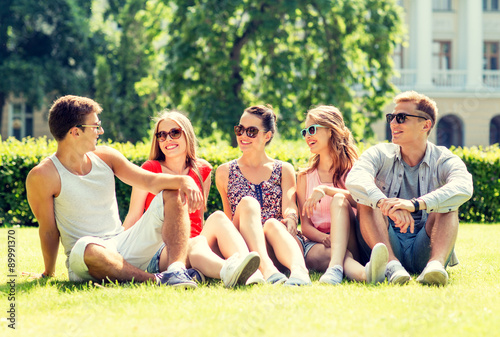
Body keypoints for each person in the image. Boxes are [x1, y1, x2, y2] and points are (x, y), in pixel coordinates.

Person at [25, 95, 252, 288]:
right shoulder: (43, 175)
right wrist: (48, 272)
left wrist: (181, 181)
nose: (100, 131)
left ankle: (176, 270)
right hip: (86, 255)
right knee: (88, 247)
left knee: (170, 190)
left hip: (121, 243)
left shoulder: (106, 156)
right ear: (75, 132)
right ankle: (157, 280)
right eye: (95, 126)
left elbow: (150, 181)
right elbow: (48, 231)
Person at [346, 91, 473, 286]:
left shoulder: (444, 158)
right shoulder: (379, 153)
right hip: (384, 244)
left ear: (426, 125)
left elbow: (463, 186)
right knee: (367, 201)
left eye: (401, 118)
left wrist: (414, 205)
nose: (393, 123)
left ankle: (435, 267)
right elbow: (355, 178)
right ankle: (391, 266)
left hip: (426, 246)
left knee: (449, 203)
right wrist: (385, 203)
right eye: (391, 117)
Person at [122, 110, 260, 287]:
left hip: (196, 241)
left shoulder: (202, 170)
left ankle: (246, 267)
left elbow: (199, 218)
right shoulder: (149, 170)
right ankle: (229, 271)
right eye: (161, 135)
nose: (168, 139)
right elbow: (133, 216)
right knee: (194, 244)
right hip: (161, 249)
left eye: (174, 133)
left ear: (187, 134)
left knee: (217, 216)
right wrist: (119, 252)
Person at [216, 105, 312, 286]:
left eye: (251, 131)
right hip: (246, 249)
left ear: (267, 136)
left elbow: (290, 206)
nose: (243, 136)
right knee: (247, 204)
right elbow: (228, 218)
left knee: (272, 224)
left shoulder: (283, 169)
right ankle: (266, 269)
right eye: (240, 129)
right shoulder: (224, 172)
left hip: (276, 243)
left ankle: (300, 272)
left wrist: (291, 218)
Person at [297, 105, 388, 285]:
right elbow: (305, 226)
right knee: (338, 254)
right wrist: (325, 239)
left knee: (339, 199)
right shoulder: (304, 177)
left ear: (330, 131)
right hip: (320, 243)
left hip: (353, 239)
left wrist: (328, 190)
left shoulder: (356, 169)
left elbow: (366, 202)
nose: (307, 135)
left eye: (312, 129)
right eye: (305, 131)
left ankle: (336, 268)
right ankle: (365, 274)